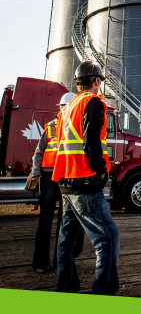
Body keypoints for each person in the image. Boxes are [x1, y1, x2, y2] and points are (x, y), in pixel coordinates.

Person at [52, 61, 120, 295]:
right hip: (85, 182)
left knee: (67, 243)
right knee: (108, 239)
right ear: (96, 81)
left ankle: (66, 290)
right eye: (99, 81)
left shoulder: (68, 107)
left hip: (67, 183)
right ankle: (103, 294)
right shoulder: (92, 103)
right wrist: (100, 168)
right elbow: (91, 142)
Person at [30, 92, 75, 272]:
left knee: (64, 222)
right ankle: (41, 262)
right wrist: (35, 173)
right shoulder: (51, 128)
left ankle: (59, 263)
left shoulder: (75, 127)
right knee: (46, 220)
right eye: (63, 107)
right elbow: (39, 152)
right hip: (49, 178)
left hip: (65, 177)